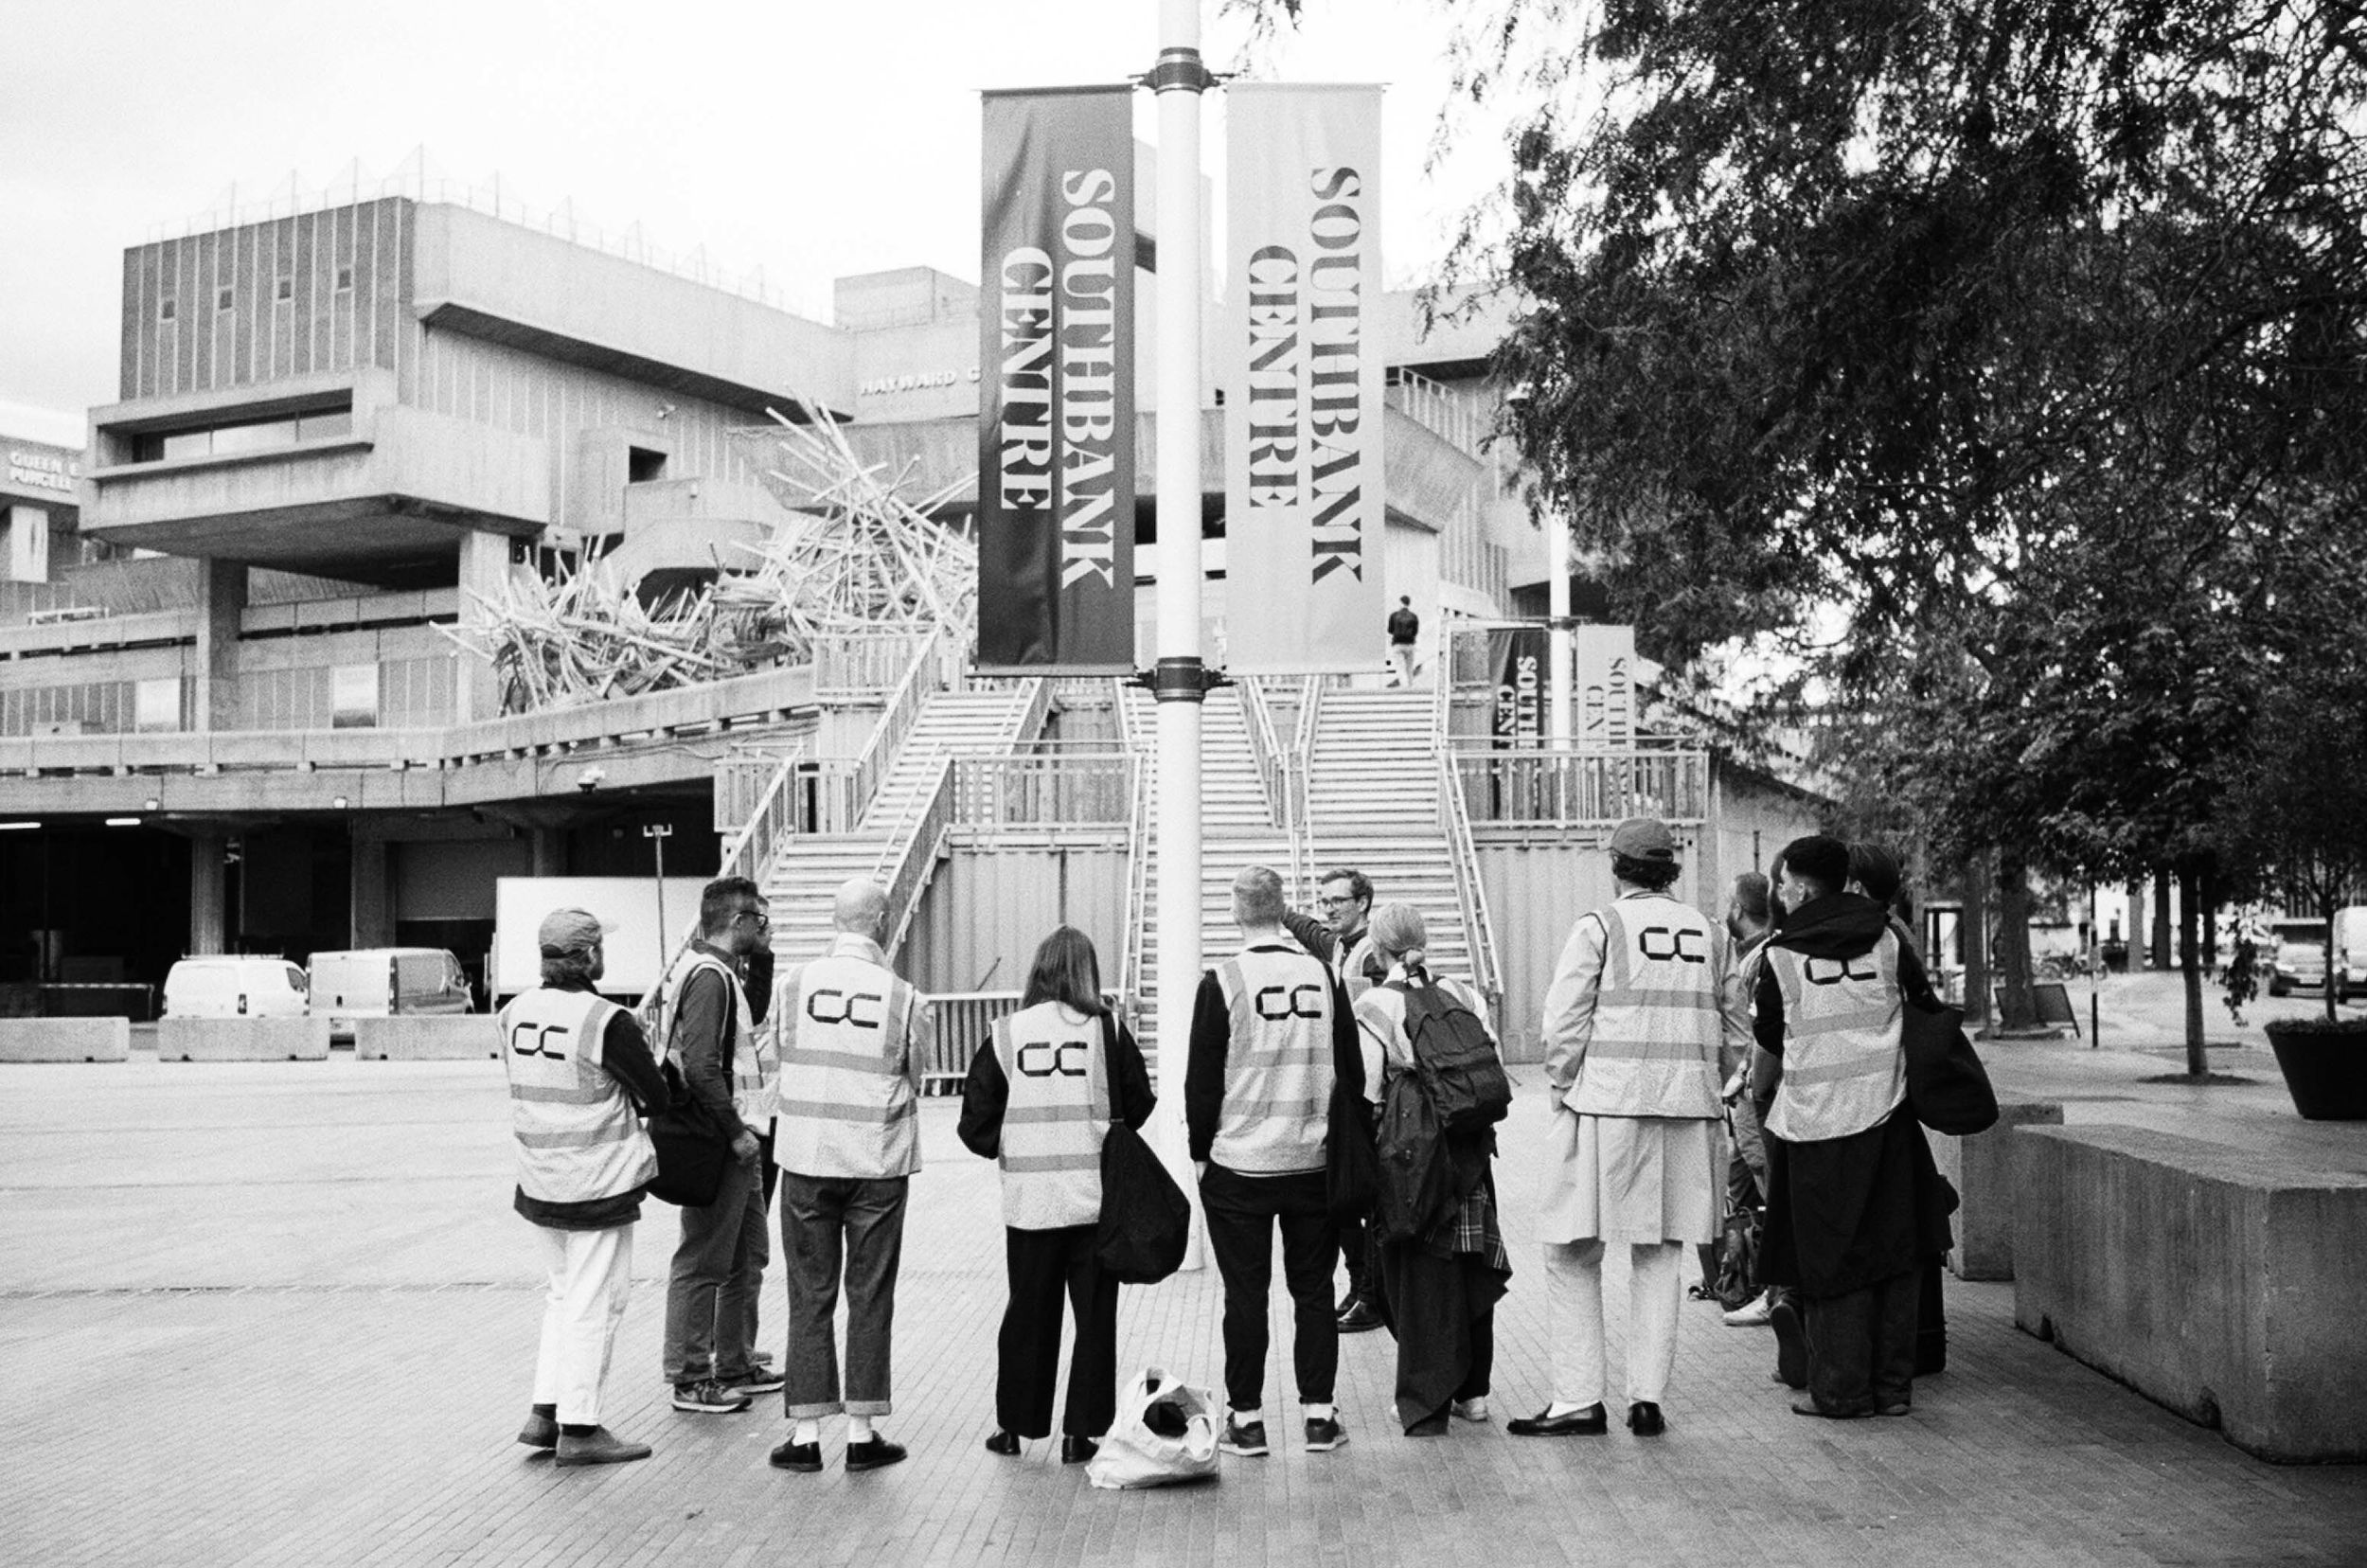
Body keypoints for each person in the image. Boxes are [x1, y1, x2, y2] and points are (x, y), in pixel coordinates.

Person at [1514, 817, 1750, 1439]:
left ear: (1616, 865)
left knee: (1570, 1248)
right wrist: (1709, 1083)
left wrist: (1565, 1087)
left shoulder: (1600, 927)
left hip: (1606, 1109)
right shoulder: (1712, 933)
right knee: (1659, 1254)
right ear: (1670, 870)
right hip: (1689, 1113)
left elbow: (1562, 1023)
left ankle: (1577, 1398)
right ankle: (1647, 1400)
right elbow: (1736, 1031)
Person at [1754, 834, 1953, 1420]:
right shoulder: (1889, 940)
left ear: (1801, 885)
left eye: (1784, 881)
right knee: (1895, 1251)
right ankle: (1893, 1390)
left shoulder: (1780, 957)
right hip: (1888, 1120)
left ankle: (1841, 1392)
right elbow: (1924, 1007)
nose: (1780, 891)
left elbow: (1769, 1037)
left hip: (1816, 1128)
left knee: (1831, 1261)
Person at [958, 927, 1155, 1465]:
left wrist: (1016, 1141)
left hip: (1030, 1202)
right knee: (1095, 1319)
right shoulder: (1109, 1032)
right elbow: (1138, 1104)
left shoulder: (1006, 1033)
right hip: (1094, 1202)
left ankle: (1015, 1429)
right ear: (1088, 971)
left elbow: (974, 1124)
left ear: (1039, 969)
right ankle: (1081, 1433)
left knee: (1028, 1315)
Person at [1186, 864, 1363, 1458]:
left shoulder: (1223, 979)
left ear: (1237, 912)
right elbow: (1353, 1070)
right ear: (1283, 908)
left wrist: (1200, 1154)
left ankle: (1248, 1419)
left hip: (1240, 1164)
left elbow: (1202, 1081)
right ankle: (1318, 1415)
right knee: (1313, 1290)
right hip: (1312, 1161)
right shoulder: (1322, 974)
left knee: (1246, 1295)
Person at [768, 879, 928, 1473]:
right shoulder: (905, 997)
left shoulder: (791, 988)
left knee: (808, 1295)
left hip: (807, 1161)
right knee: (870, 1296)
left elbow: (778, 1058)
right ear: (882, 923)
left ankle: (806, 1436)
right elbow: (918, 1071)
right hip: (877, 1163)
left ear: (835, 922)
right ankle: (862, 1435)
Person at [501, 908, 666, 1468]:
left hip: (539, 1178)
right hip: (596, 1181)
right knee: (596, 1303)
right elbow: (658, 1096)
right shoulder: (606, 1021)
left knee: (562, 1296)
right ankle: (580, 1426)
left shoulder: (513, 1012)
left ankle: (543, 1414)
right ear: (590, 956)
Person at [1353, 903, 1510, 1435]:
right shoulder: (1464, 994)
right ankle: (1475, 1394)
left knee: (1419, 1271)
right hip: (1468, 1150)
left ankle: (1426, 1399)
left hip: (1411, 1153)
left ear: (1377, 949)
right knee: (1469, 1262)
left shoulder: (1374, 1004)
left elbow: (1368, 1090)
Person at [659, 876, 777, 1417]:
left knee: (746, 1255)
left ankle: (734, 1360)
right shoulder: (708, 977)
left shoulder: (720, 973)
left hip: (741, 1136)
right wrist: (734, 1132)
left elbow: (745, 1018)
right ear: (737, 922)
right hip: (721, 1140)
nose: (764, 928)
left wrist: (766, 958)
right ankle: (690, 1376)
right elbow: (704, 1066)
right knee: (704, 1257)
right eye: (759, 920)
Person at [1282, 866, 1387, 1334]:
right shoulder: (1342, 945)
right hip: (1348, 1089)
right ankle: (1361, 1285)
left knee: (1359, 1197)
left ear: (1363, 903)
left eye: (1338, 902)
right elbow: (1310, 931)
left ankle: (1371, 1293)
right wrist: (1279, 911)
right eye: (1323, 902)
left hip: (1370, 1094)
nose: (1328, 911)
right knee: (1343, 1196)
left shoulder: (1373, 955)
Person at [1386, 595, 1420, 687]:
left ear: (1400, 603)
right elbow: (1415, 631)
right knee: (1409, 667)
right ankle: (1410, 685)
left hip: (1397, 644)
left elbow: (1390, 630)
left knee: (1400, 667)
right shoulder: (1414, 616)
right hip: (1410, 645)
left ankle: (1405, 686)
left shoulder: (1393, 615)